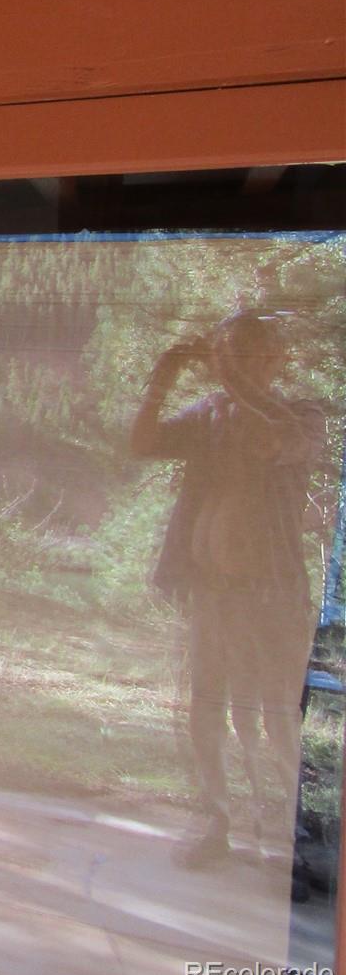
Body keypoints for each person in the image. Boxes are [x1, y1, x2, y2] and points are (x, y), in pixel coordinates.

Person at [132, 309, 326, 867]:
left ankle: (289, 837)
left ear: (276, 358)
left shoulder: (303, 415)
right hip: (212, 591)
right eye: (230, 351)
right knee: (208, 706)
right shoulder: (210, 413)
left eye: (247, 351)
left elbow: (270, 443)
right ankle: (216, 823)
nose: (233, 363)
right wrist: (163, 381)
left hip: (274, 594)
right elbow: (144, 443)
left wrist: (226, 371)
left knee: (276, 712)